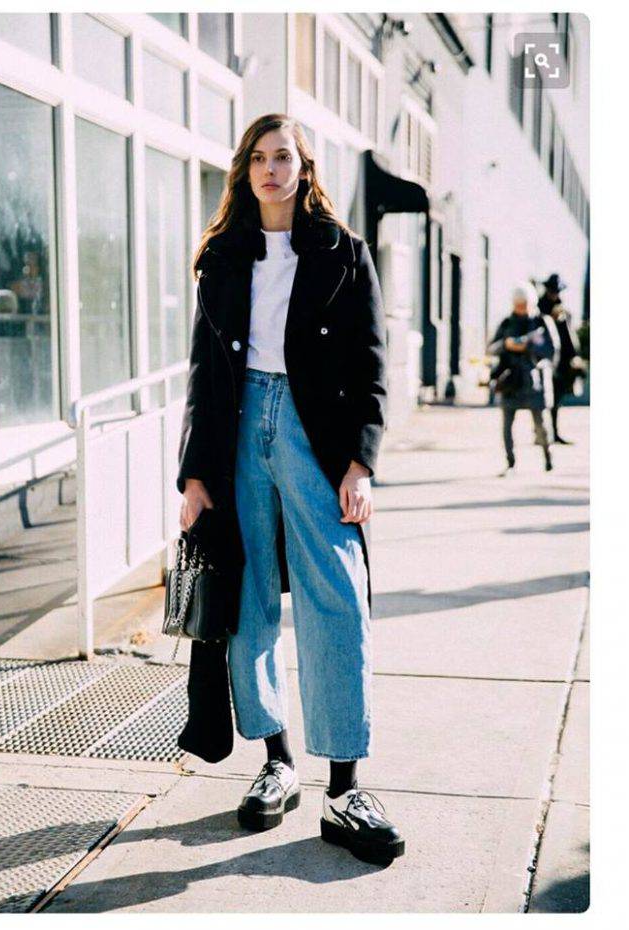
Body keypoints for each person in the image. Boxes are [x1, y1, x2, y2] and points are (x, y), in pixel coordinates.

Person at [175, 113, 404, 866]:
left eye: (284, 157)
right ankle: (275, 759)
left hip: (315, 437)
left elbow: (372, 366)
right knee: (248, 602)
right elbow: (204, 374)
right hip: (238, 432)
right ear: (244, 171)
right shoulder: (222, 258)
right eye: (259, 158)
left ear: (304, 169)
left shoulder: (344, 252)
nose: (271, 170)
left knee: (335, 597)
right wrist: (195, 475)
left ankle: (345, 787)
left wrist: (360, 465)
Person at [488, 284, 556, 475]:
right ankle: (510, 463)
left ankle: (548, 457)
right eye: (517, 304)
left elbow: (552, 350)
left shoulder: (541, 322)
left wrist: (528, 347)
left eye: (524, 304)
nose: (520, 308)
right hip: (511, 382)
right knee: (507, 426)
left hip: (535, 382)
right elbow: (491, 348)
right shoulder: (507, 323)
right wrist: (506, 344)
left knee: (541, 425)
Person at [537, 273, 582, 444]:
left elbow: (568, 335)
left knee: (556, 398)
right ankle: (541, 432)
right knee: (542, 399)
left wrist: (574, 355)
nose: (555, 294)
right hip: (545, 358)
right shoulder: (540, 308)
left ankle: (553, 432)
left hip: (561, 360)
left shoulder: (561, 308)